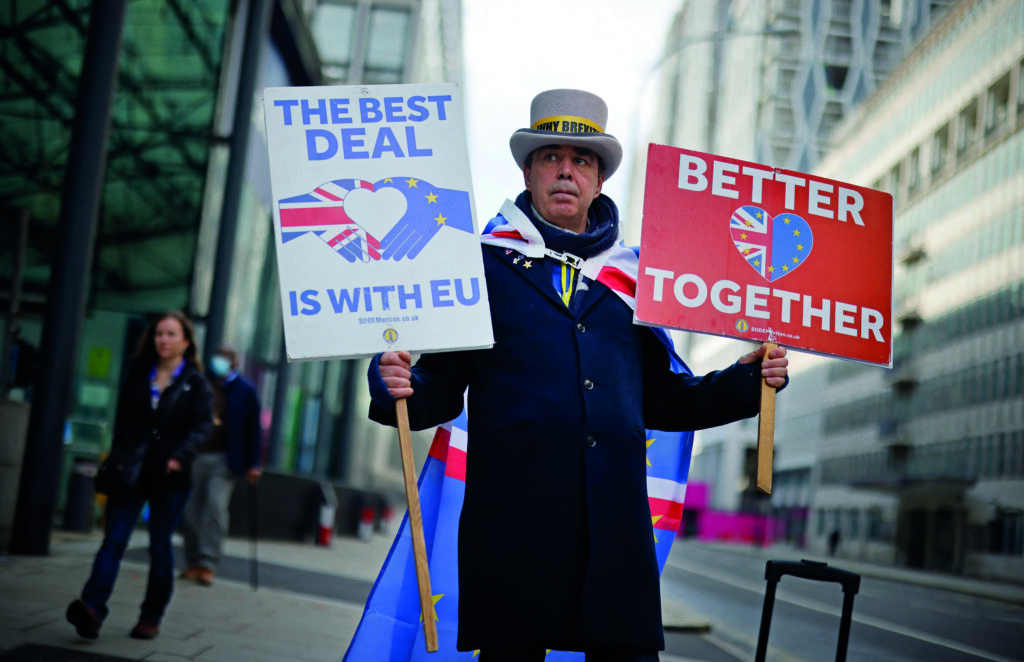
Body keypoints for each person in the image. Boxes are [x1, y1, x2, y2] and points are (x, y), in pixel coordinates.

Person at [366, 89, 789, 660]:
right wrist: (398, 382)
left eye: (581, 160)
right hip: (514, 530)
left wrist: (744, 380)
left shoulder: (634, 280)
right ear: (529, 171)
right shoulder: (480, 266)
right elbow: (438, 388)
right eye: (551, 157)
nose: (566, 170)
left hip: (614, 533)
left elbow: (662, 399)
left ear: (598, 180)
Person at [66, 311, 213, 641]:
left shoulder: (196, 383)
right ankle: (92, 608)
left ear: (186, 342)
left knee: (160, 546)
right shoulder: (137, 374)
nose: (163, 339)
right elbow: (123, 422)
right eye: (159, 333)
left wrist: (180, 457)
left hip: (170, 476)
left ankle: (151, 617)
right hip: (130, 471)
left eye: (171, 334)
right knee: (113, 540)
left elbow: (202, 428)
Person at [179, 346, 262, 586]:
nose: (219, 364)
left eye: (225, 360)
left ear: (234, 364)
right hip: (196, 457)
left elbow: (253, 430)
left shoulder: (245, 391)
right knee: (192, 510)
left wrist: (253, 464)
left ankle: (207, 563)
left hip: (226, 461)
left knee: (215, 507)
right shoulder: (201, 384)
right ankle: (193, 561)